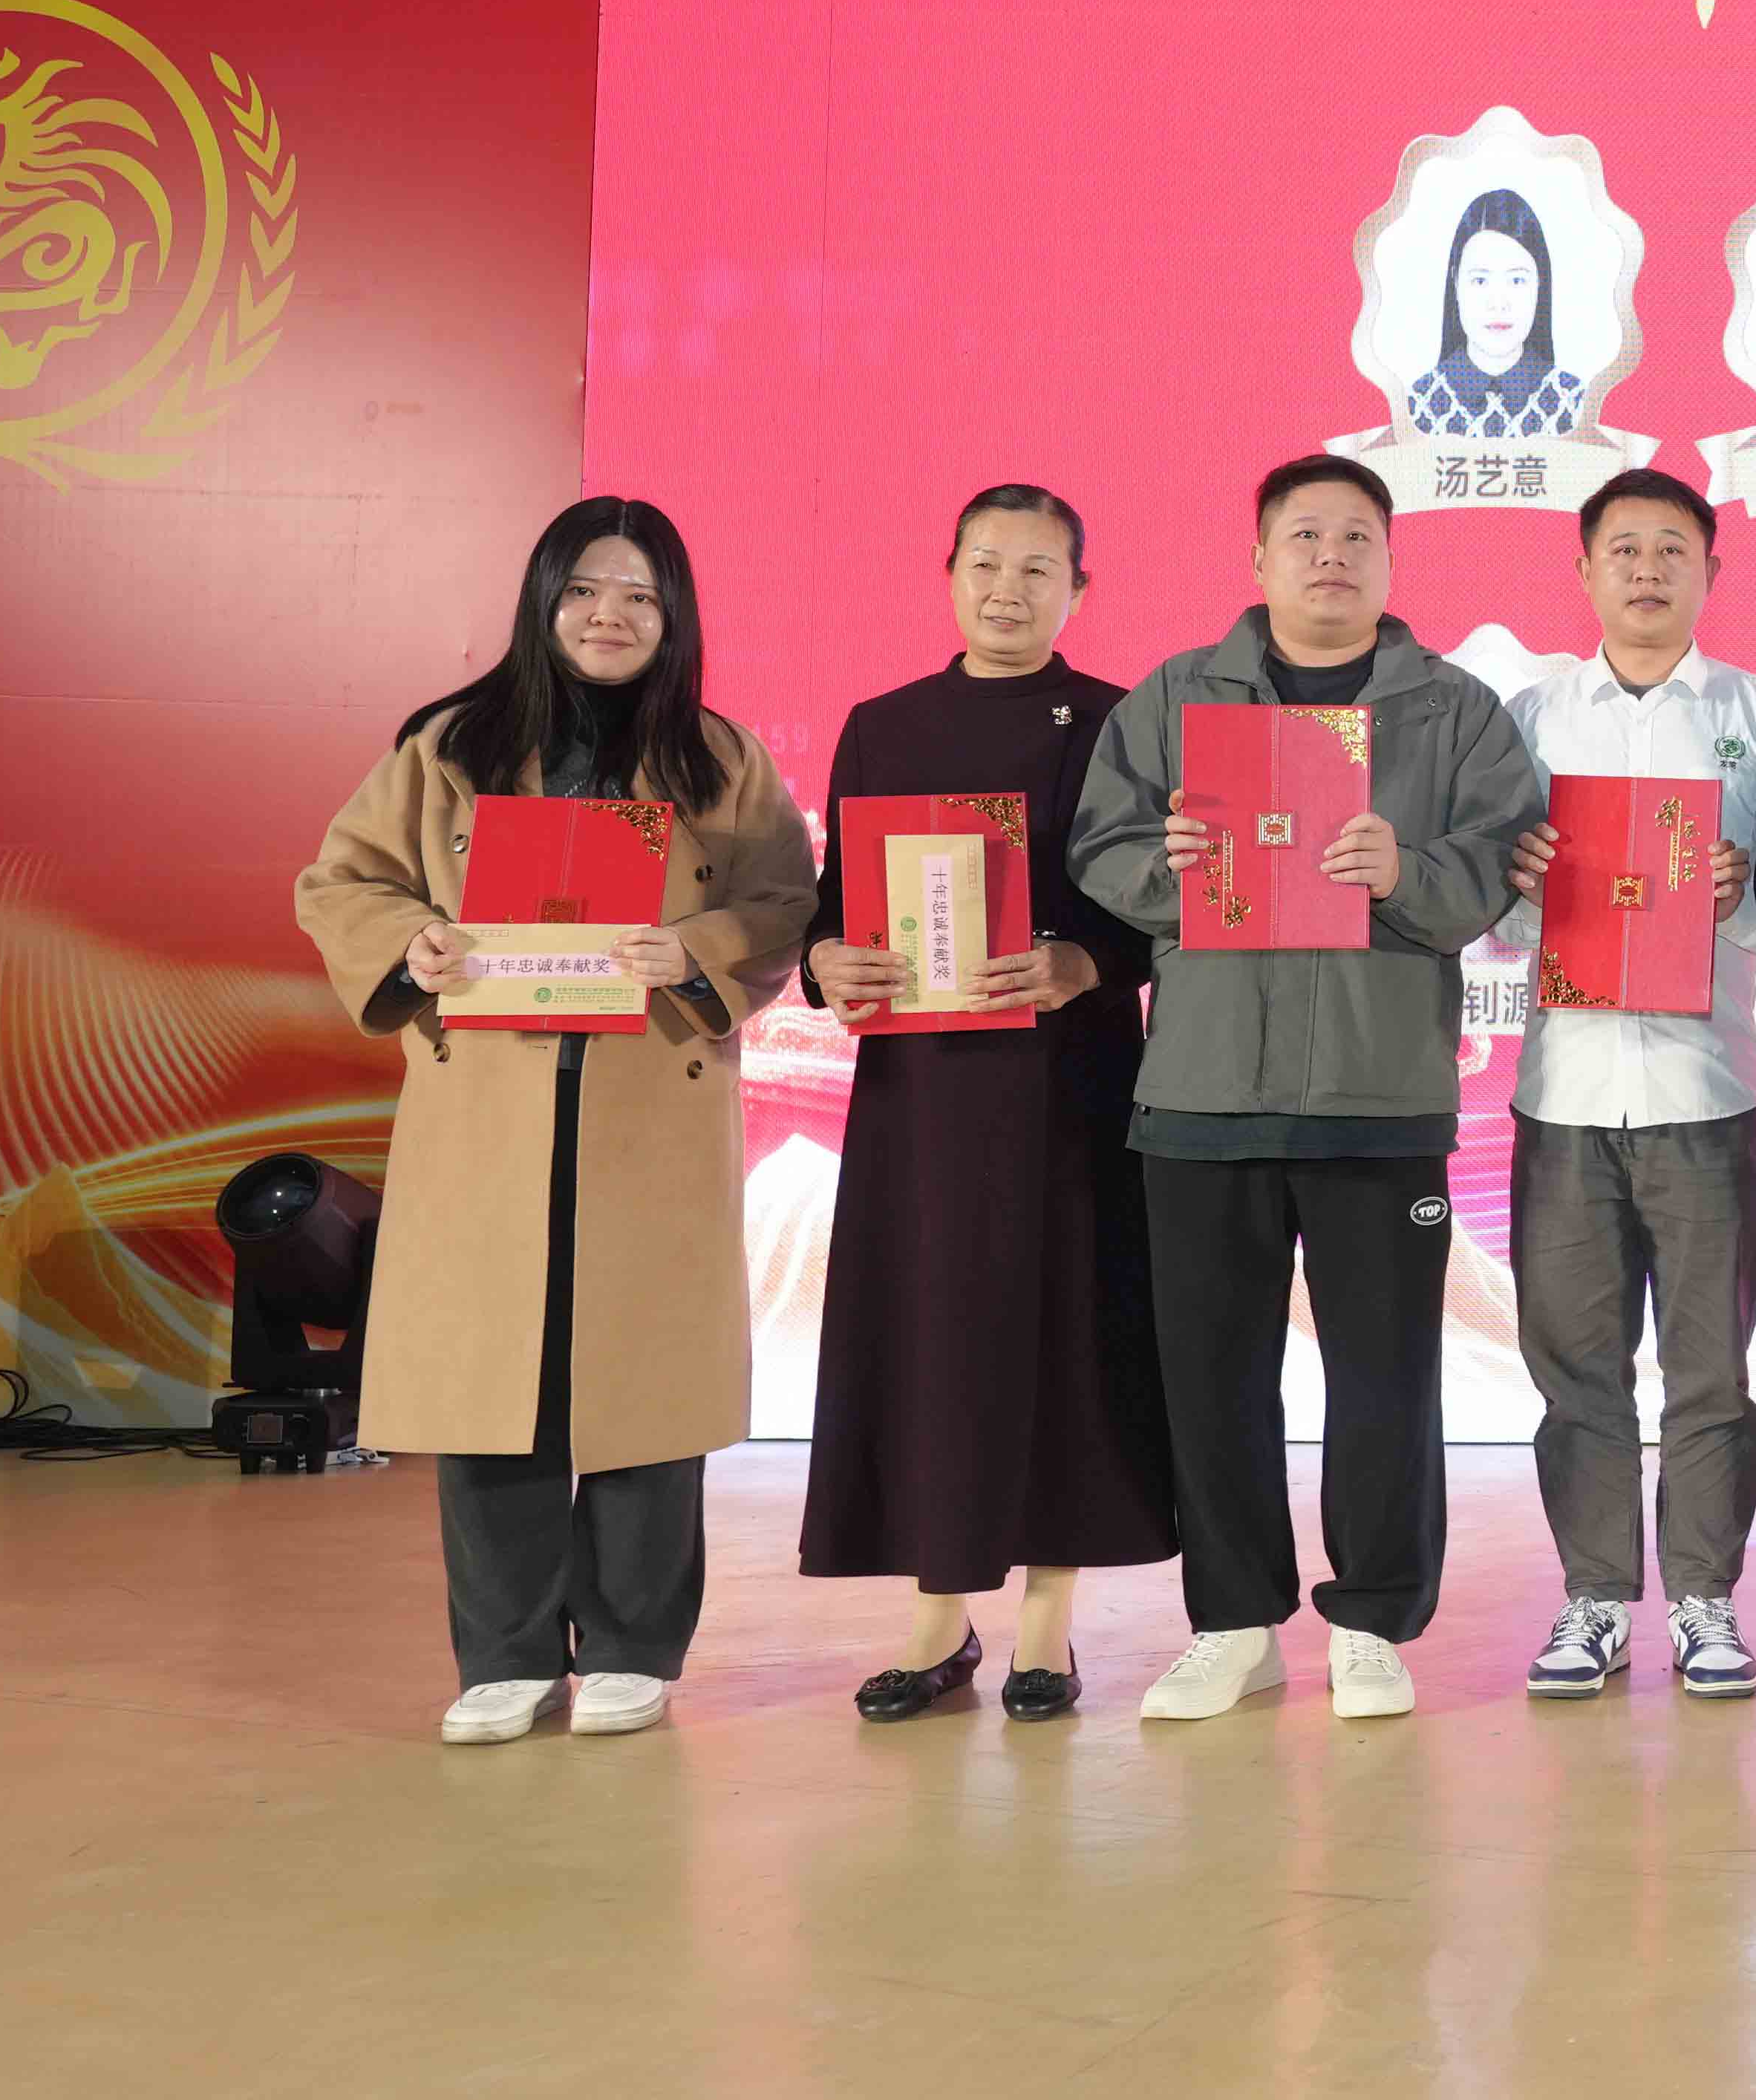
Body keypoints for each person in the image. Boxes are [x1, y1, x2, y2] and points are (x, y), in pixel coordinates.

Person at [294, 498, 814, 1744]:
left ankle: (633, 1644)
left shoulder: (720, 757)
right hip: (490, 1101)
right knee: (493, 1378)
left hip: (649, 1100)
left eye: (639, 595)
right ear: (544, 600)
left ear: (675, 616)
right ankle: (506, 1652)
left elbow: (785, 897)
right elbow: (343, 879)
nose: (609, 615)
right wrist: (410, 940)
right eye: (584, 589)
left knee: (643, 1377)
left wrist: (693, 946)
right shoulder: (449, 744)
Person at [1074, 454, 1544, 1725]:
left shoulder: (1452, 709)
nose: (1330, 556)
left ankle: (1374, 1618)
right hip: (1205, 1090)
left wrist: (1408, 869)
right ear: (1258, 560)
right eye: (1304, 535)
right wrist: (1169, 864)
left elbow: (1506, 861)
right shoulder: (1176, 696)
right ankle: (1233, 1621)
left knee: (1384, 1375)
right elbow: (1101, 846)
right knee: (1211, 1376)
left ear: (1389, 560)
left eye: (1355, 536)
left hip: (1376, 1094)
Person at [795, 485, 1178, 1725]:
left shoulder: (1122, 721)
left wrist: (1088, 962)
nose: (1008, 589)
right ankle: (938, 1615)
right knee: (930, 1334)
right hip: (920, 1098)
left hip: (1071, 1087)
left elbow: (1163, 906)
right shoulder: (882, 724)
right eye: (986, 564)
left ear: (1079, 590)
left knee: (1064, 1330)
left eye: (1037, 569)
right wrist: (824, 962)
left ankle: (1048, 1624)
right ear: (949, 573)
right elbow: (832, 910)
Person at [1491, 469, 1756, 1701]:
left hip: (1706, 1091)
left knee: (1710, 1371)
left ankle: (1705, 1595)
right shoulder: (1530, 716)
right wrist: (1520, 881)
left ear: (1710, 570)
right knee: (1576, 1369)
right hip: (1564, 1094)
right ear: (1584, 571)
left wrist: (1740, 890)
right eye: (1624, 549)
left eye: (1672, 548)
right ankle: (1596, 1596)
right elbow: (1497, 922)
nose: (1648, 570)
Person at [1399, 187, 1584, 440]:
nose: (1498, 303)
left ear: (1540, 284)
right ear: (1455, 282)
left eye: (1517, 280)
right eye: (1480, 281)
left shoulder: (1576, 405)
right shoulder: (1414, 407)